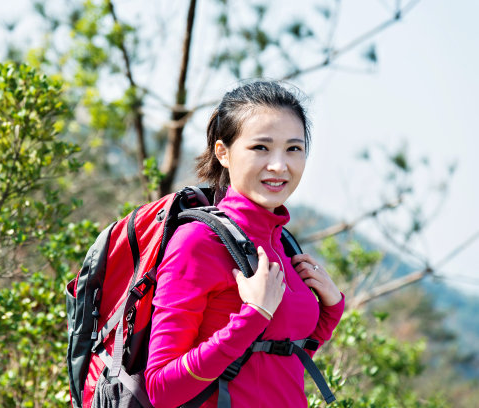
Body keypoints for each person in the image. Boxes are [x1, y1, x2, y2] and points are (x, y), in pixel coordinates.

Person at [144, 81, 345, 408]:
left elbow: (278, 360)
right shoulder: (198, 243)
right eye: (261, 148)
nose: (280, 166)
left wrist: (331, 312)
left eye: (293, 148)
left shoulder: (284, 243)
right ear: (223, 153)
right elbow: (161, 390)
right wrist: (252, 316)